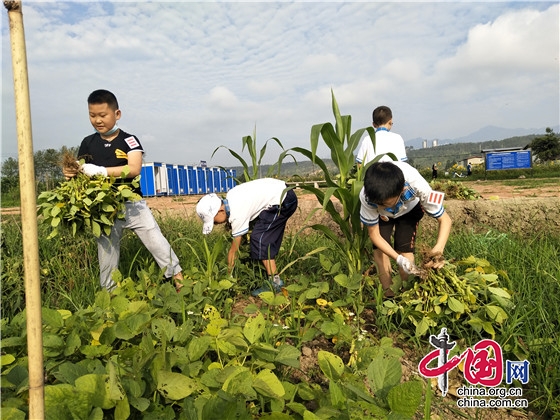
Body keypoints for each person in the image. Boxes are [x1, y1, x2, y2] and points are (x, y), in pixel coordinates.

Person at [62, 89, 183, 291]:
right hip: (104, 209)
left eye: (103, 115)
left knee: (155, 241)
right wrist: (72, 171)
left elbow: (134, 169)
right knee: (107, 253)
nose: (98, 120)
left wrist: (100, 171)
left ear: (117, 114)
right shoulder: (88, 143)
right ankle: (109, 296)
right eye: (92, 115)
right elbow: (81, 170)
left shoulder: (129, 140)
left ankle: (179, 280)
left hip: (133, 204)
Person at [360, 161, 452, 297]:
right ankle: (389, 295)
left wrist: (438, 250)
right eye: (379, 204)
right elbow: (374, 235)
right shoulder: (368, 196)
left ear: (401, 190)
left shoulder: (418, 185)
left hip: (410, 210)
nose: (382, 207)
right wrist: (397, 259)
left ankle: (407, 293)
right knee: (380, 250)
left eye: (386, 204)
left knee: (404, 248)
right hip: (381, 217)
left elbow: (445, 219)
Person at [196, 178, 298, 296]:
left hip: (283, 200)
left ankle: (275, 283)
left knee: (260, 239)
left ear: (220, 211)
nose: (215, 224)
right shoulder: (231, 195)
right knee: (261, 235)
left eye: (214, 221)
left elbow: (234, 250)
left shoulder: (237, 214)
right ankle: (273, 278)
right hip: (283, 192)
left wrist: (228, 276)